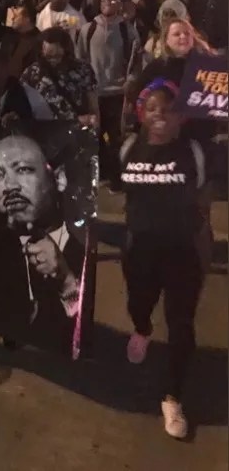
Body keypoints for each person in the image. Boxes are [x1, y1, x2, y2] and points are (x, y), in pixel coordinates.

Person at [119, 81, 207, 439]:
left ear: (180, 117)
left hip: (183, 251)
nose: (160, 115)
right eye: (152, 108)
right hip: (140, 249)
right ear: (142, 113)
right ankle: (142, 329)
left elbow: (204, 195)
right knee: (139, 304)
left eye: (168, 109)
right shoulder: (129, 148)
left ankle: (173, 398)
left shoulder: (193, 150)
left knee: (181, 323)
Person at [0, 131, 85, 348]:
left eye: (23, 170)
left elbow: (83, 334)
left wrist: (66, 281)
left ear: (58, 179)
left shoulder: (84, 247)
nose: (9, 186)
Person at [76, 0, 140, 188]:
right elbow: (81, 59)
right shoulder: (88, 29)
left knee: (115, 136)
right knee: (96, 134)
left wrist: (130, 79)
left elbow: (136, 57)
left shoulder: (127, 30)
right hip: (95, 93)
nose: (109, 3)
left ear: (120, 4)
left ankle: (116, 176)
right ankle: (101, 172)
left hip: (117, 92)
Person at [22, 27, 99, 125]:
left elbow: (93, 106)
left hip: (79, 132)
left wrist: (95, 129)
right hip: (47, 132)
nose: (54, 61)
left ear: (67, 52)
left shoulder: (83, 69)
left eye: (58, 56)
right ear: (41, 53)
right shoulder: (31, 74)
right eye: (48, 57)